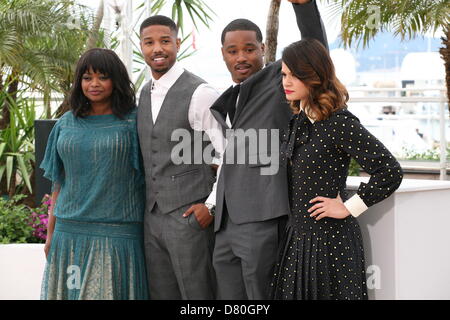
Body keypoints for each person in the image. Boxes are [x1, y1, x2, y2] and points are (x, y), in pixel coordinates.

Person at [209, 0, 327, 299]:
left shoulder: (279, 81)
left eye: (249, 49)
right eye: (232, 51)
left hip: (263, 217)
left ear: (263, 49)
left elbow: (314, 47)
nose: (241, 57)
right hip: (225, 222)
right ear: (223, 54)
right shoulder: (231, 95)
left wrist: (304, 6)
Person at [271, 38, 403, 300]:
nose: (286, 82)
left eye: (295, 75)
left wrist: (348, 207)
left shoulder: (338, 122)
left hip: (330, 244)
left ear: (314, 75)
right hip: (297, 239)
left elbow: (390, 170)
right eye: (284, 74)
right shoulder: (297, 122)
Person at [40, 48, 148, 300]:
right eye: (87, 78)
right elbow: (59, 183)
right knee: (72, 293)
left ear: (116, 80)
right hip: (70, 238)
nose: (94, 84)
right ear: (79, 83)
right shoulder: (66, 123)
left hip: (117, 237)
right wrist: (51, 235)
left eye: (103, 77)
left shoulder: (134, 122)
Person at [137, 15, 225, 300]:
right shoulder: (143, 93)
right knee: (161, 294)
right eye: (149, 43)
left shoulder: (200, 92)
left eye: (164, 41)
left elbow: (230, 154)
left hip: (189, 215)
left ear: (177, 43)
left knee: (198, 295)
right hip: (152, 219)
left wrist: (210, 206)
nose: (157, 49)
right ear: (141, 47)